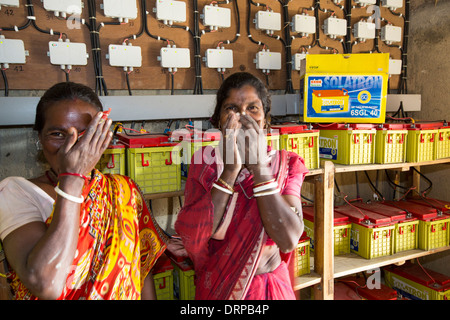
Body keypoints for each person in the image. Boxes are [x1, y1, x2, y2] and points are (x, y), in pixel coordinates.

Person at [0, 82, 167, 300]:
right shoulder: (17, 192)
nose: (74, 145)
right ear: (39, 138)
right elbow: (45, 284)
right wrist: (72, 178)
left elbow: (140, 272)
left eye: (86, 134)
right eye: (58, 134)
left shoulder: (122, 189)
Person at [174, 72, 308, 300]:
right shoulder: (204, 164)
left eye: (253, 109)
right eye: (232, 109)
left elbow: (288, 239)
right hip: (219, 288)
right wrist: (229, 171)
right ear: (218, 119)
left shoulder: (286, 164)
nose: (243, 117)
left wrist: (259, 168)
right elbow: (193, 239)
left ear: (265, 120)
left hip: (269, 291)